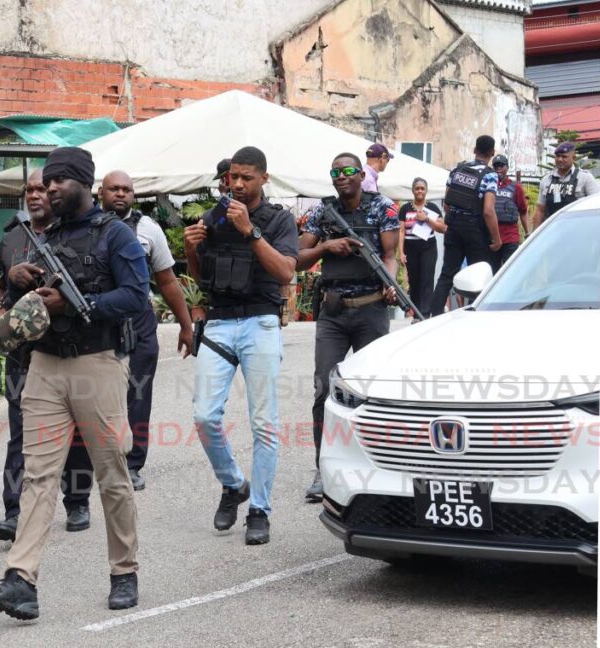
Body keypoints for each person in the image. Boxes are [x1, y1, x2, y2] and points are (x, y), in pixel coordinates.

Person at [0, 147, 149, 620]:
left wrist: (71, 304)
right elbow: (24, 298)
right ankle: (20, 581)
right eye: (46, 182)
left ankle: (124, 571)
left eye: (59, 182)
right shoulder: (38, 237)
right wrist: (17, 280)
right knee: (38, 475)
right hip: (46, 367)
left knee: (112, 475)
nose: (49, 189)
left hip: (97, 364)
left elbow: (135, 297)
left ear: (83, 184)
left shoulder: (116, 235)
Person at [183, 146, 298, 545]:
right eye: (233, 176)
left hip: (261, 320)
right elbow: (200, 277)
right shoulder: (215, 216)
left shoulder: (279, 219)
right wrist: (190, 247)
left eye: (246, 177)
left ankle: (260, 509)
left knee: (264, 423)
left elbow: (285, 271)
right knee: (203, 416)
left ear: (264, 178)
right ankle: (233, 483)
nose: (237, 184)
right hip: (219, 320)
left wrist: (251, 231)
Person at [0, 169, 94, 541]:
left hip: (67, 347)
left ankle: (77, 499)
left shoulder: (77, 232)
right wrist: (11, 280)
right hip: (23, 350)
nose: (35, 195)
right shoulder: (12, 236)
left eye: (41, 189)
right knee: (21, 431)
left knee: (77, 428)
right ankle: (14, 512)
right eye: (29, 190)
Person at [298, 153, 399, 502]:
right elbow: (297, 258)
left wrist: (391, 283)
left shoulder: (383, 207)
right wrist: (327, 245)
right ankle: (323, 469)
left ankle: (382, 467)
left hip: (371, 310)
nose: (341, 177)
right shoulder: (320, 212)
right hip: (333, 313)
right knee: (324, 390)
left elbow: (389, 254)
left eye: (348, 171)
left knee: (375, 395)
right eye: (335, 172)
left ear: (361, 175)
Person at [97, 169, 193, 491]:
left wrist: (186, 325)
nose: (120, 194)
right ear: (101, 193)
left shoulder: (148, 229)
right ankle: (98, 463)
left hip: (139, 324)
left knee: (137, 398)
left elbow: (167, 280)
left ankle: (133, 464)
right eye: (114, 189)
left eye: (126, 189)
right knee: (98, 398)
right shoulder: (86, 227)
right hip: (99, 324)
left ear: (133, 195)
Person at [430, 135, 501, 316]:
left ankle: (433, 315)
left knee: (447, 275)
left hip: (454, 227)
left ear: (474, 150)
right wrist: (496, 238)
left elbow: (447, 203)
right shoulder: (490, 175)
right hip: (475, 230)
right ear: (492, 153)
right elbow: (488, 210)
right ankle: (479, 315)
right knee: (480, 275)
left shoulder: (457, 170)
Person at [397, 177, 446, 319]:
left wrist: (426, 219)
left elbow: (442, 228)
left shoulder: (432, 208)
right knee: (414, 280)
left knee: (427, 279)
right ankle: (417, 314)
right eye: (417, 188)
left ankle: (425, 314)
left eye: (422, 188)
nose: (419, 191)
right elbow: (401, 231)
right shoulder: (405, 209)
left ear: (426, 191)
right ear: (413, 190)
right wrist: (401, 252)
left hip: (428, 247)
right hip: (410, 247)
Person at [532, 141, 600, 229]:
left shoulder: (585, 177)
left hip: (579, 230)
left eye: (564, 156)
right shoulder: (546, 180)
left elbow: (597, 206)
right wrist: (534, 234)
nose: (560, 159)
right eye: (557, 156)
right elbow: (540, 210)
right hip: (553, 231)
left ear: (573, 158)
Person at [490, 154, 529, 271]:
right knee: (492, 272)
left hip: (510, 237)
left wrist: (527, 233)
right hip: (491, 237)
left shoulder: (515, 187)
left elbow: (523, 211)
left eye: (501, 166)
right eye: (496, 166)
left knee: (511, 271)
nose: (498, 169)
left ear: (507, 167)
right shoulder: (489, 185)